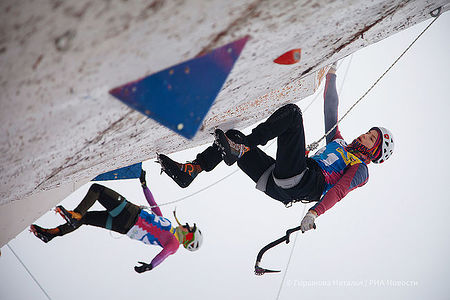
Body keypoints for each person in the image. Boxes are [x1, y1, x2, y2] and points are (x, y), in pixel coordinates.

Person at [158, 63, 394, 232]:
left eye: (371, 139)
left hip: (305, 182)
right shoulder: (339, 143)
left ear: (374, 153)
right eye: (368, 132)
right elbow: (330, 112)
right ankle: (191, 171)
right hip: (277, 180)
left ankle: (241, 147)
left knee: (293, 114)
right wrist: (331, 72)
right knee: (232, 136)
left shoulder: (360, 168)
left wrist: (315, 212)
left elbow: (339, 190)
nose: (365, 135)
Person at [30, 170, 203, 273]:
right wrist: (144, 185)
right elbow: (154, 205)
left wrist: (150, 266)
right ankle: (50, 234)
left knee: (97, 190)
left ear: (188, 239)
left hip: (129, 216)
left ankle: (75, 214)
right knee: (86, 219)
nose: (186, 225)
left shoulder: (173, 244)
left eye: (189, 228)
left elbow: (162, 256)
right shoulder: (169, 226)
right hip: (124, 227)